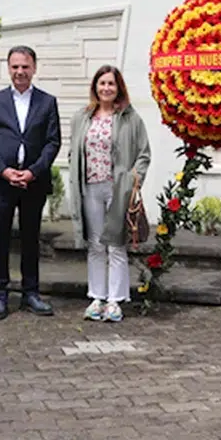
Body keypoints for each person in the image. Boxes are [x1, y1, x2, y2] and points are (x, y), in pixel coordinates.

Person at [0, 46, 62, 320]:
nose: (20, 72)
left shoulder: (47, 102)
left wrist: (33, 172)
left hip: (32, 182)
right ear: (8, 68)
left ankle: (31, 293)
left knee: (30, 239)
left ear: (34, 67)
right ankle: (0, 294)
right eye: (15, 67)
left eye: (25, 66)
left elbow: (53, 142)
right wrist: (3, 171)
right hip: (1, 182)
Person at [68, 65, 151, 323]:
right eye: (102, 83)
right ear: (95, 87)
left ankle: (115, 301)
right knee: (95, 244)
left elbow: (143, 153)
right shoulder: (82, 117)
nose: (106, 88)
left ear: (118, 88)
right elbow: (74, 150)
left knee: (115, 245)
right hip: (90, 187)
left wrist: (134, 179)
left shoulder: (130, 118)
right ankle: (96, 297)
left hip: (117, 188)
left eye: (111, 84)